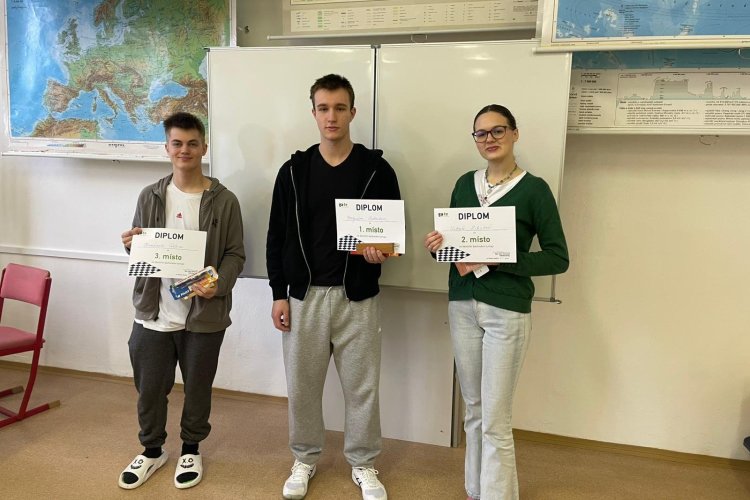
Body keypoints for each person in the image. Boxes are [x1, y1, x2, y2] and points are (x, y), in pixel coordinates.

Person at [424, 104, 569, 500]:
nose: (489, 139)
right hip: (462, 305)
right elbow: (456, 248)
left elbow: (558, 258)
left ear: (514, 133)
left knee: (495, 418)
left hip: (506, 310)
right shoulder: (464, 184)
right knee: (472, 408)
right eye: (481, 133)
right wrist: (438, 246)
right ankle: (476, 490)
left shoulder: (534, 190)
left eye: (498, 130)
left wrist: (503, 257)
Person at [266, 74, 400, 500]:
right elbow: (276, 236)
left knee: (363, 387)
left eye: (340, 108)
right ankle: (304, 458)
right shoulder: (293, 171)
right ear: (313, 113)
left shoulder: (377, 170)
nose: (332, 116)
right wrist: (278, 293)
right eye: (323, 108)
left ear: (352, 112)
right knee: (302, 386)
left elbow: (389, 235)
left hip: (357, 298)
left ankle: (363, 463)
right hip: (304, 297)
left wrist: (380, 253)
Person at [118, 112, 245, 490]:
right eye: (177, 143)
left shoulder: (225, 201)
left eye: (192, 143)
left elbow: (236, 254)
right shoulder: (150, 195)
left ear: (204, 147)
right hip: (153, 313)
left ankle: (191, 448)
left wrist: (218, 283)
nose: (184, 150)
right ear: (167, 148)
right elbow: (143, 252)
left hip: (204, 314)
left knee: (198, 388)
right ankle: (152, 450)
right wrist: (130, 246)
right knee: (149, 389)